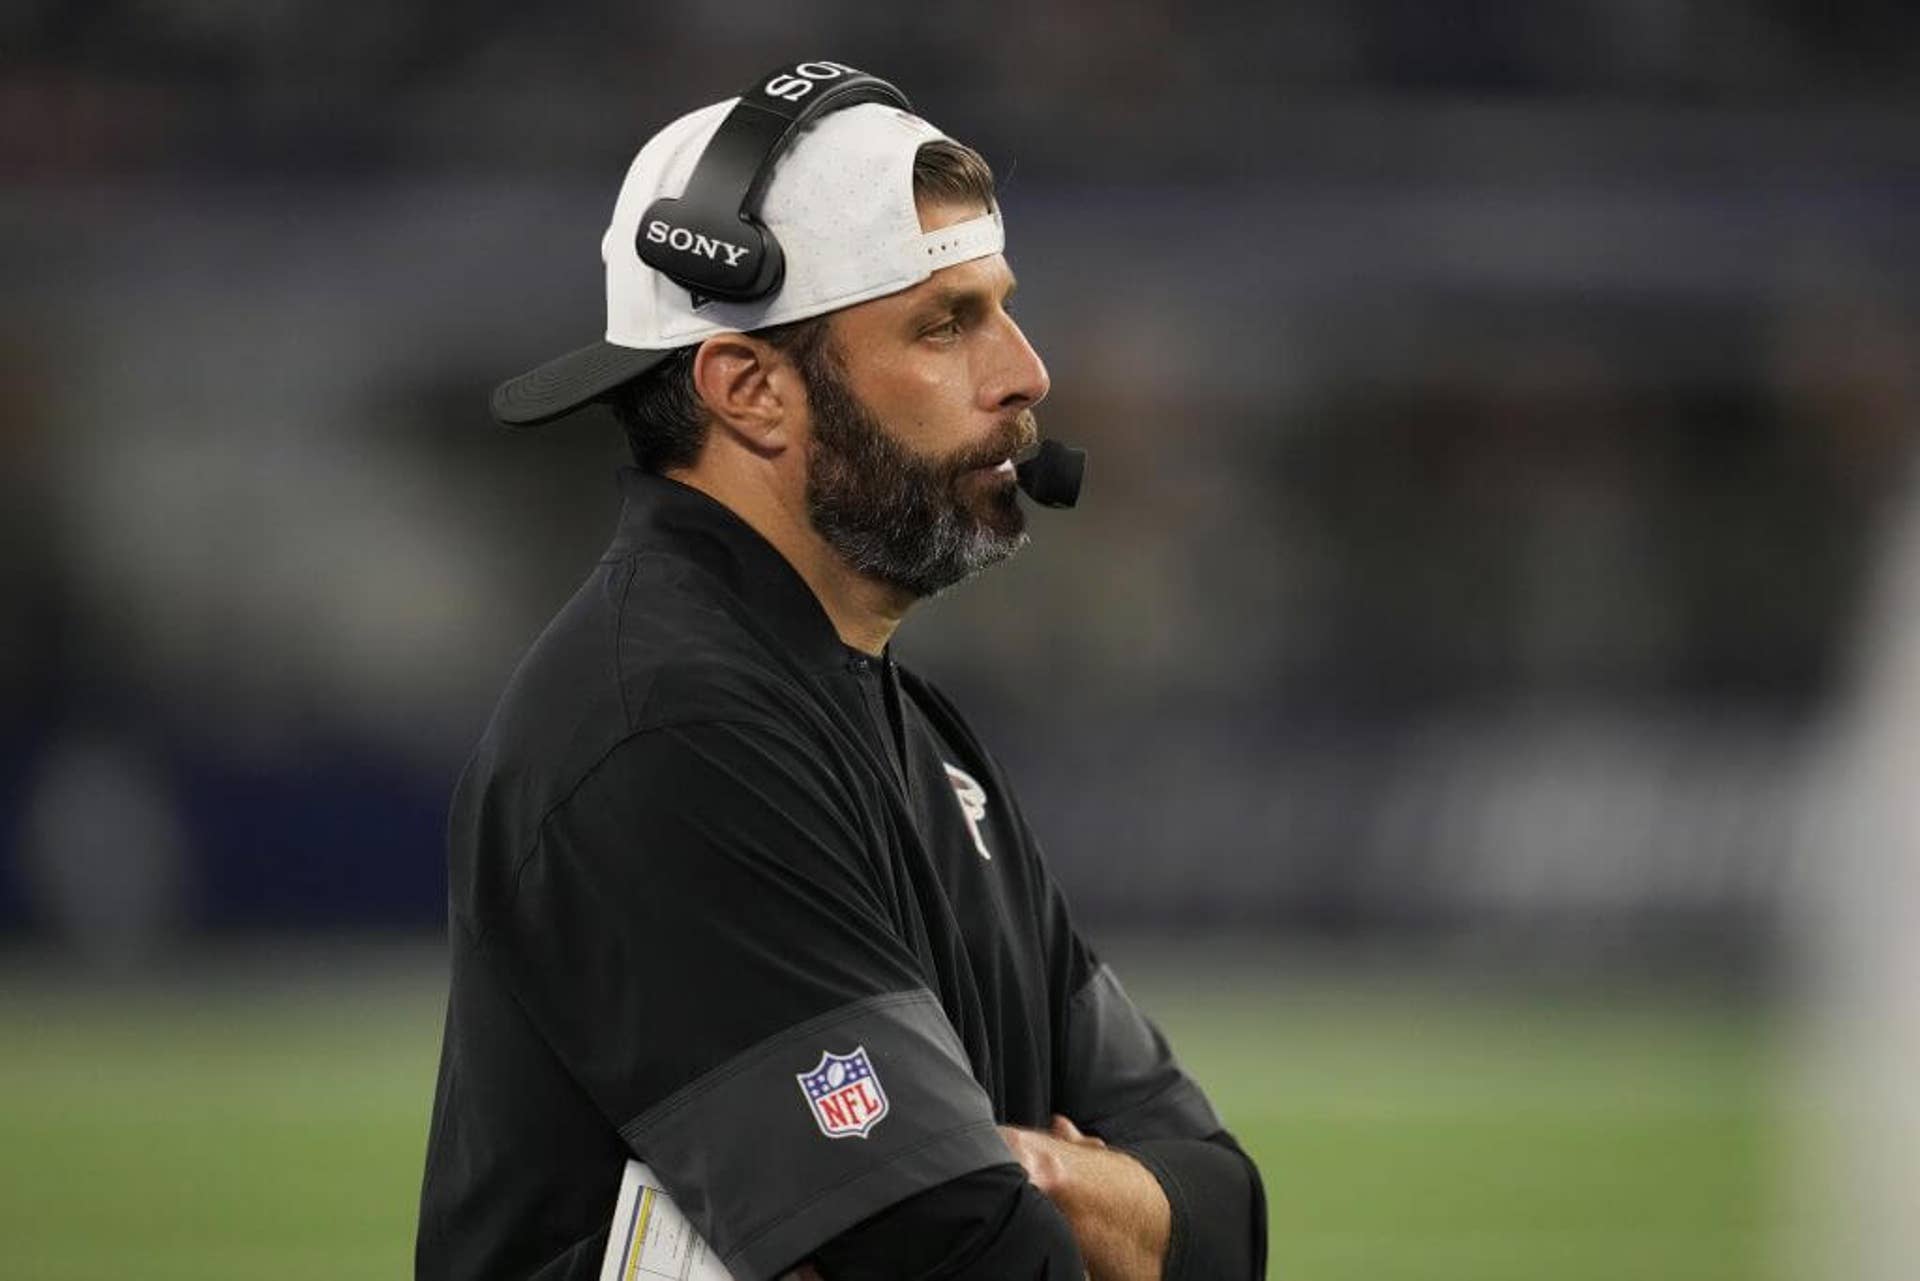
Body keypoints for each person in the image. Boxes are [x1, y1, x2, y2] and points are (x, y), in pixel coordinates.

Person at [416, 62, 1266, 1281]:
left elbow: (1222, 1214)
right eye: (946, 323)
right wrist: (1052, 1200)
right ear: (749, 388)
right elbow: (973, 1258)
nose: (1025, 374)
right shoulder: (666, 737)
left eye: (1002, 307)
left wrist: (1038, 1177)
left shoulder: (907, 729)